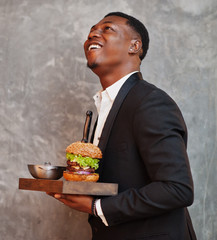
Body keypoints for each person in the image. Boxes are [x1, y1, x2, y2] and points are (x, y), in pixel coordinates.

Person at [47, 12, 196, 239]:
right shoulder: (108, 104)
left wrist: (96, 207)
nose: (92, 34)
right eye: (91, 30)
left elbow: (177, 189)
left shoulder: (150, 102)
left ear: (134, 46)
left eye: (107, 29)